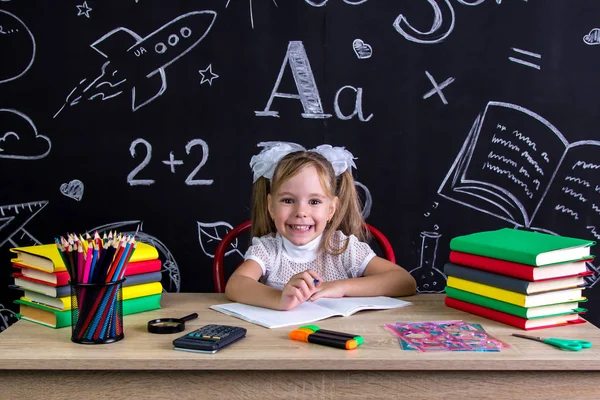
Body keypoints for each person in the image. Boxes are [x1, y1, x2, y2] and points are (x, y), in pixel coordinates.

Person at [225, 142, 416, 310]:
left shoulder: (343, 248)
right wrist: (279, 299)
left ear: (331, 209)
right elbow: (236, 285)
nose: (301, 212)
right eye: (288, 200)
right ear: (271, 206)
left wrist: (339, 287)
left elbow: (404, 281)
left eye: (314, 202)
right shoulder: (268, 250)